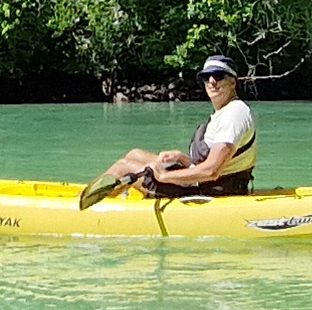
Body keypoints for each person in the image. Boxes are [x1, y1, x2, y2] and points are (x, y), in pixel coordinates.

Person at [95, 55, 260, 202]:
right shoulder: (226, 111)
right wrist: (183, 159)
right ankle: (105, 195)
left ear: (233, 82)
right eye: (206, 77)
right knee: (135, 154)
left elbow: (212, 171)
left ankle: (90, 203)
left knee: (125, 166)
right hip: (208, 183)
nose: (211, 81)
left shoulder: (234, 113)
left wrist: (164, 176)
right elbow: (219, 163)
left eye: (218, 76)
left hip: (212, 189)